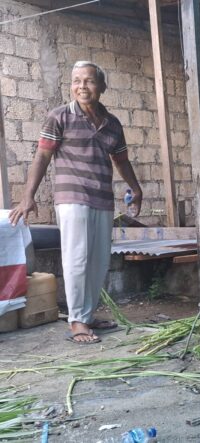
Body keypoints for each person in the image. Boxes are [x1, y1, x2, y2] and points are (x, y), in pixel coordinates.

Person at [9, 61, 142, 344]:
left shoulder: (113, 124)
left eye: (89, 81)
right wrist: (28, 196)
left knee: (98, 260)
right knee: (77, 259)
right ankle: (77, 321)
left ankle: (89, 314)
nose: (82, 86)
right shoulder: (59, 116)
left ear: (102, 87)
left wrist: (135, 188)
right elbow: (42, 156)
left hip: (102, 198)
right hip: (71, 197)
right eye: (76, 81)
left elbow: (121, 161)